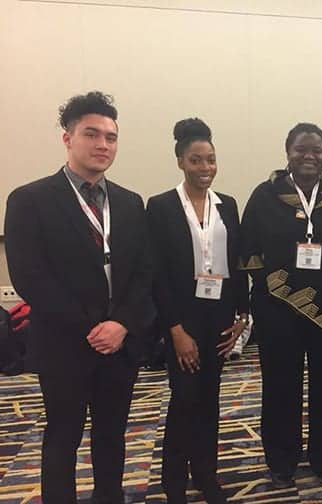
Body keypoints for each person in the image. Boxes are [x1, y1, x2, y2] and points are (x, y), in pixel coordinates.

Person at [4, 91, 152, 503]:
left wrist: (121, 324)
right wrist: (93, 327)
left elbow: (143, 273)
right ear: (67, 138)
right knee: (62, 438)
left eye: (111, 137)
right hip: (64, 345)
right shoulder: (29, 200)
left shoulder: (128, 203)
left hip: (118, 346)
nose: (103, 145)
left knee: (111, 437)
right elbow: (32, 279)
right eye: (92, 134)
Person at [239, 123, 322, 487]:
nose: (309, 156)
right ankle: (282, 459)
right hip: (278, 311)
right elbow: (248, 249)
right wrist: (271, 289)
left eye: (316, 150)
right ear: (287, 152)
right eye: (301, 149)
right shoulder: (265, 195)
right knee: (281, 386)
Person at [146, 118, 249, 503]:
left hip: (220, 317)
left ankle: (206, 474)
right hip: (183, 320)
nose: (205, 168)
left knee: (210, 399)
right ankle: (173, 481)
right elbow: (157, 274)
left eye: (211, 160)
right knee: (184, 399)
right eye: (196, 160)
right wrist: (174, 329)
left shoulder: (228, 205)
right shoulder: (160, 206)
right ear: (180, 162)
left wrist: (242, 315)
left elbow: (237, 264)